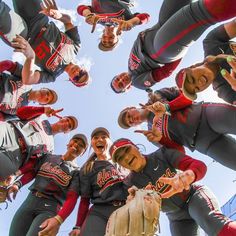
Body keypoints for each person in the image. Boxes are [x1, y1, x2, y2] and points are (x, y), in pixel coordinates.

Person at [110, 138, 236, 236]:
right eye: (120, 158)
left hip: (193, 196)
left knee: (211, 222)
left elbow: (198, 165)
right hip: (175, 216)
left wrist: (188, 175)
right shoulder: (129, 184)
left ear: (136, 147)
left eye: (127, 150)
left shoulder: (161, 154)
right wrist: (134, 205)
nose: (126, 157)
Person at [110, 0, 236, 93]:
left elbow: (144, 17)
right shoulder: (138, 82)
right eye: (121, 85)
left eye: (117, 79)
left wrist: (131, 22)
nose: (122, 80)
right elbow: (164, 72)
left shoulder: (130, 65)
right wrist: (178, 52)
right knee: (198, 14)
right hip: (160, 49)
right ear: (128, 88)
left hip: (159, 27)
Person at [117, 86, 236, 171]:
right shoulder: (152, 134)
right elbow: (179, 152)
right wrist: (161, 140)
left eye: (128, 116)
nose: (131, 120)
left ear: (131, 107)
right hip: (204, 144)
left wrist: (167, 107)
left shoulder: (156, 95)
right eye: (130, 123)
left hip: (206, 115)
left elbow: (188, 96)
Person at [7, 134, 88, 236]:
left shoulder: (77, 173)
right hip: (30, 200)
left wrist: (59, 219)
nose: (76, 144)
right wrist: (18, 184)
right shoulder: (49, 157)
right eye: (75, 141)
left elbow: (72, 198)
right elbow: (33, 172)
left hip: (50, 208)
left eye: (81, 145)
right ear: (69, 142)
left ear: (83, 153)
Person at [0, 0, 89, 87]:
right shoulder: (76, 46)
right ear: (83, 68)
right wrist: (60, 16)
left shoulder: (52, 75)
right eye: (82, 72)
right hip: (39, 17)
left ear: (71, 80)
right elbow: (68, 22)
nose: (77, 73)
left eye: (77, 78)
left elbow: (28, 79)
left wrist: (30, 57)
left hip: (24, 37)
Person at [69, 127, 127, 236]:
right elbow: (85, 200)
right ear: (92, 144)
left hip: (125, 209)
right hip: (99, 211)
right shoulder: (87, 168)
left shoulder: (121, 160)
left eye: (104, 137)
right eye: (95, 138)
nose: (100, 139)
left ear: (110, 142)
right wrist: (78, 226)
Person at [0, 105, 78, 183]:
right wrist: (42, 109)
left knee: (4, 173)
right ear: (61, 118)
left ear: (67, 132)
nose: (67, 123)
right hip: (9, 132)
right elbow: (20, 113)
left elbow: (33, 164)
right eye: (67, 119)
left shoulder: (50, 148)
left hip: (16, 157)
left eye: (70, 126)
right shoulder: (42, 116)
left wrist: (15, 175)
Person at [175, 19, 236, 104]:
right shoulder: (225, 91)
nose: (200, 83)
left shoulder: (211, 42)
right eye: (197, 88)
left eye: (192, 79)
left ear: (193, 66)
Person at [77, 1, 149, 51]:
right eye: (110, 42)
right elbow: (146, 16)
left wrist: (88, 15)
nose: (107, 40)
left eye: (104, 42)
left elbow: (80, 8)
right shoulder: (125, 23)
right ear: (117, 38)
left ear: (101, 37)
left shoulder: (96, 20)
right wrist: (132, 22)